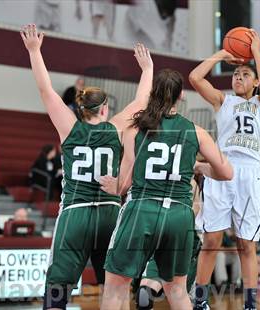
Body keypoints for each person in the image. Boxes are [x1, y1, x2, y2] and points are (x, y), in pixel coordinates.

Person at [20, 24, 153, 310]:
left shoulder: (69, 127)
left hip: (75, 214)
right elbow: (142, 100)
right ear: (104, 108)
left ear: (81, 108)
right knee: (114, 287)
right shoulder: (115, 128)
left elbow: (45, 90)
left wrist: (34, 51)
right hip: (108, 211)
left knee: (58, 288)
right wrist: (147, 69)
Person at [99, 68, 233, 309]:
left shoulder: (134, 129)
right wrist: (200, 167)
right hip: (179, 215)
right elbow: (227, 172)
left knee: (116, 286)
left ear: (153, 93)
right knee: (177, 290)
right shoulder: (196, 131)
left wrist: (114, 186)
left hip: (142, 210)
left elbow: (125, 184)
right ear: (180, 95)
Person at [189, 29, 260, 310]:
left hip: (250, 173)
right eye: (235, 75)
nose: (238, 78)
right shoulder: (222, 101)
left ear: (254, 82)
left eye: (245, 75)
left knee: (246, 245)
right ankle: (200, 300)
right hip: (223, 169)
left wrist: (256, 51)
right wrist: (222, 55)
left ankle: (250, 304)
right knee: (211, 239)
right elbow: (194, 78)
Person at [132, 178, 203, 309]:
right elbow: (196, 208)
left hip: (168, 233)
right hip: (179, 233)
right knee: (177, 295)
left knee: (146, 294)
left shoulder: (150, 178)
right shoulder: (188, 179)